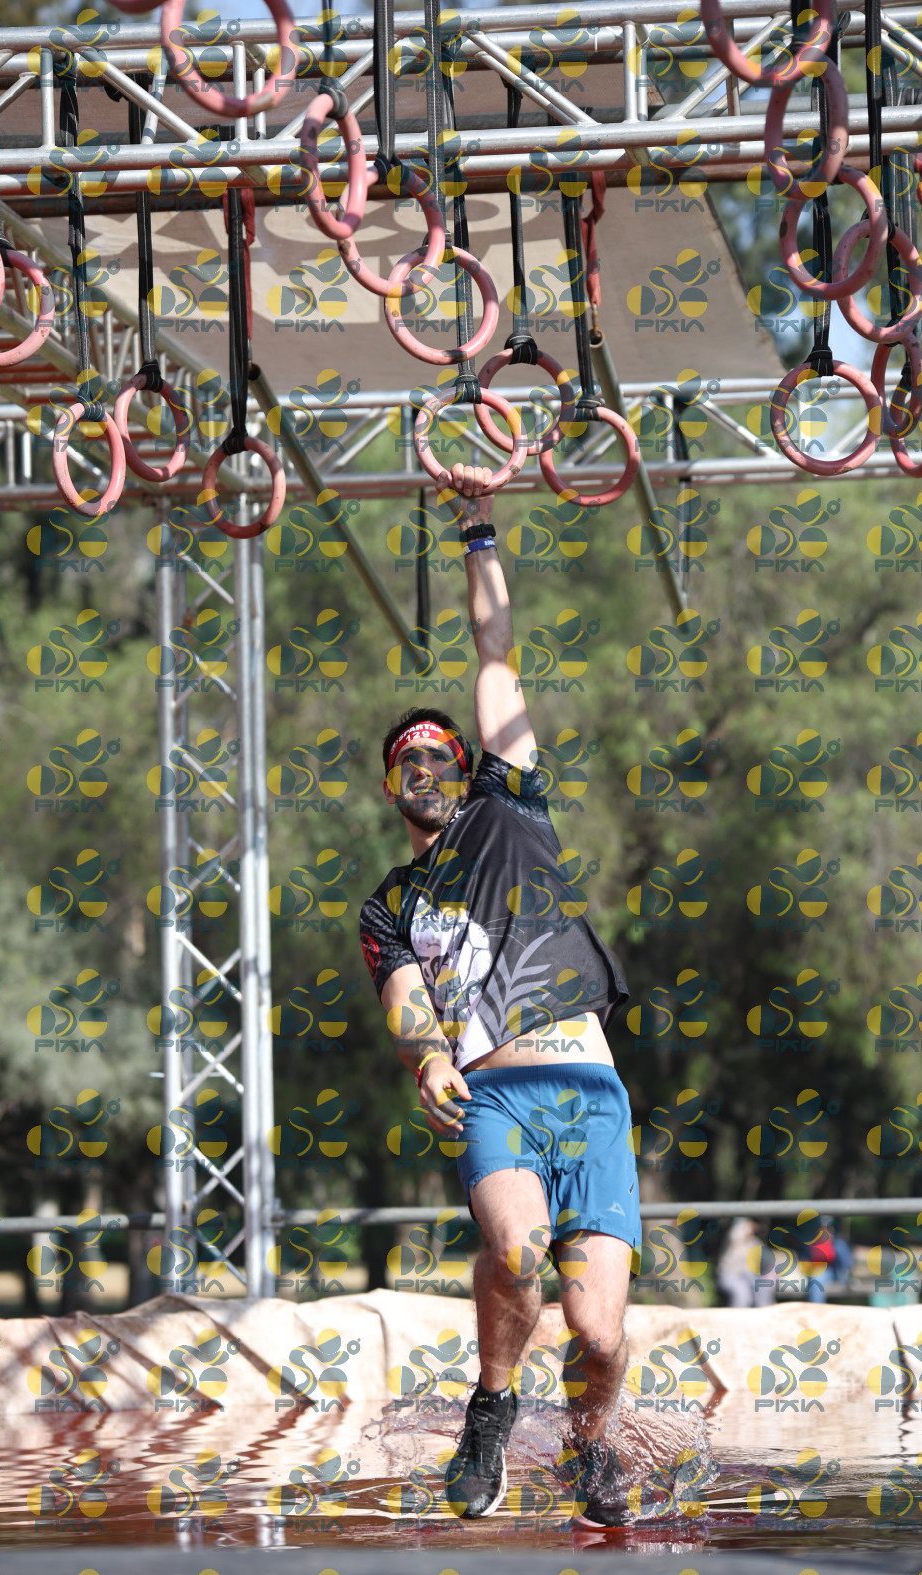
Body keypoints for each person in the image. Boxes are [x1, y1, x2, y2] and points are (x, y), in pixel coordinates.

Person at [359, 463, 642, 1527]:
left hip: (591, 1093)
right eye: (407, 761)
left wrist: (479, 530)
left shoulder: (511, 807)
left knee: (600, 1334)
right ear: (393, 787)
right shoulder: (389, 903)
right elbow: (405, 998)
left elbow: (493, 651)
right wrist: (428, 1056)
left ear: (467, 764)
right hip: (498, 1098)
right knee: (517, 1255)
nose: (426, 766)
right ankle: (491, 1407)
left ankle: (588, 1445)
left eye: (441, 752)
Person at [716, 1218, 776, 1308]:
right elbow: (736, 1234)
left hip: (747, 1275)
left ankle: (766, 1312)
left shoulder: (753, 1241)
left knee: (763, 1288)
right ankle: (737, 1316)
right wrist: (748, 1226)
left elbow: (768, 1256)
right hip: (729, 1275)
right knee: (743, 1294)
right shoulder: (734, 1236)